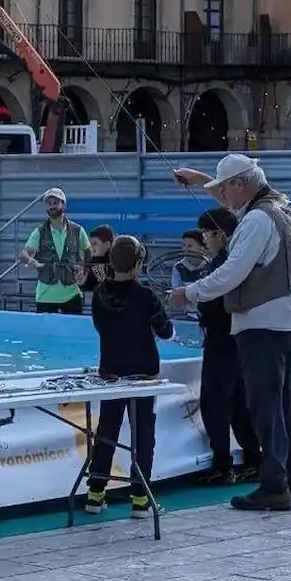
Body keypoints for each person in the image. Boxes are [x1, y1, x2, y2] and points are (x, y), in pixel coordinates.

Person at [170, 154, 291, 512]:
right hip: (288, 320)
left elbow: (230, 274)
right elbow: (240, 196)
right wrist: (202, 180)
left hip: (261, 324)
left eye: (224, 188)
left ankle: (274, 485)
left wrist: (187, 293)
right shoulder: (282, 205)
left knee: (265, 407)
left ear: (238, 185)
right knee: (286, 404)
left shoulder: (255, 220)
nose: (222, 197)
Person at [84, 235, 173, 518]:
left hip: (111, 370)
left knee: (107, 432)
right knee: (142, 436)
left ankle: (95, 494)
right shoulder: (146, 296)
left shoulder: (99, 293)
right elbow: (166, 331)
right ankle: (140, 499)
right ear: (137, 265)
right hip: (143, 373)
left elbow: (99, 326)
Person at [194, 207, 262, 486]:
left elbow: (210, 302)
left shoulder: (222, 264)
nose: (204, 240)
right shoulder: (242, 258)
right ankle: (253, 458)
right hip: (242, 338)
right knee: (239, 401)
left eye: (205, 234)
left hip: (222, 338)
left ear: (219, 234)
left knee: (215, 401)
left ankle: (222, 465)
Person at [19, 188, 90, 314]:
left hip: (72, 295)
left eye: (56, 202)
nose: (52, 206)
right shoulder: (39, 232)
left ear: (63, 204)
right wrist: (30, 260)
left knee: (72, 333)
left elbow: (88, 251)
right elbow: (24, 254)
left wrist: (84, 272)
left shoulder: (78, 230)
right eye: (49, 203)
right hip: (45, 297)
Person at [171, 229, 206, 316]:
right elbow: (176, 300)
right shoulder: (178, 268)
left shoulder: (211, 265)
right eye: (183, 245)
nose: (185, 249)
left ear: (202, 247)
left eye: (190, 246)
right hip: (188, 316)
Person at [81, 225, 114, 294]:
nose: (91, 247)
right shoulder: (89, 260)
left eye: (95, 243)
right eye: (90, 243)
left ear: (107, 245)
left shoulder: (114, 263)